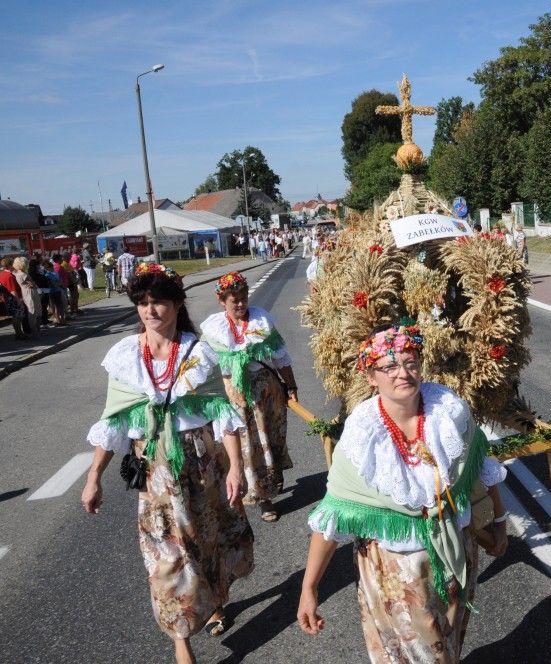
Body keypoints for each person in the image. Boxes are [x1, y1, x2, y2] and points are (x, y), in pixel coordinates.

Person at [297, 323, 509, 663]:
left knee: (450, 646)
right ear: (370, 376)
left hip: (456, 552)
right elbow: (334, 515)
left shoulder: (448, 413)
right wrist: (309, 588)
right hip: (396, 570)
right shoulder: (362, 435)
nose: (403, 374)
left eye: (411, 362)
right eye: (390, 366)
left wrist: (499, 521)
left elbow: (481, 466)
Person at [81, 262, 254, 664]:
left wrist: (235, 467)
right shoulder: (126, 357)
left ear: (176, 304)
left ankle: (212, 599)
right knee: (165, 558)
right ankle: (181, 640)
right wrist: (94, 478)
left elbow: (222, 414)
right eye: (142, 303)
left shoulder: (199, 353)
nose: (149, 310)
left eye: (158, 302)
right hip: (155, 470)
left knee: (206, 542)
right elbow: (116, 422)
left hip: (200, 463)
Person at [200, 271, 297, 523]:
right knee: (242, 445)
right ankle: (252, 493)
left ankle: (266, 491)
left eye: (244, 298)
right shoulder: (214, 331)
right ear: (222, 301)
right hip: (234, 394)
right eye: (235, 300)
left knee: (266, 441)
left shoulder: (262, 323)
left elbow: (280, 356)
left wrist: (291, 385)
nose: (241, 304)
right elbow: (202, 366)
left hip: (266, 393)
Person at [12, 256, 42, 337]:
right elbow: (33, 285)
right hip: (30, 293)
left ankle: (34, 331)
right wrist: (33, 284)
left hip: (24, 293)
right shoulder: (24, 274)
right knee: (34, 312)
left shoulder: (16, 274)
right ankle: (36, 331)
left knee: (31, 312)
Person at [0, 257, 28, 339]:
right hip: (13, 298)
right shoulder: (9, 276)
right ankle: (19, 334)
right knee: (17, 317)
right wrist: (19, 301)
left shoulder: (2, 274)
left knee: (15, 317)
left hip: (7, 298)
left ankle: (18, 333)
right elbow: (13, 290)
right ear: (10, 265)